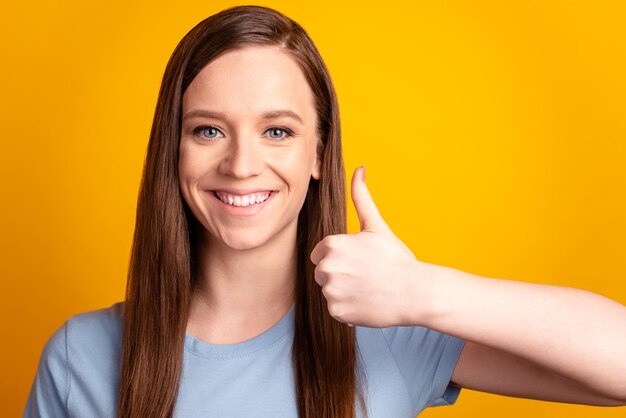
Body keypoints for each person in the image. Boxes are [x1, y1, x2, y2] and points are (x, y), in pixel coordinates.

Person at [23, 5, 626, 418]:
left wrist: (421, 291)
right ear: (172, 148)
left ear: (318, 151)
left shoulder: (391, 331)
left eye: (277, 132)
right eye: (208, 130)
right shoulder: (82, 356)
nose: (240, 164)